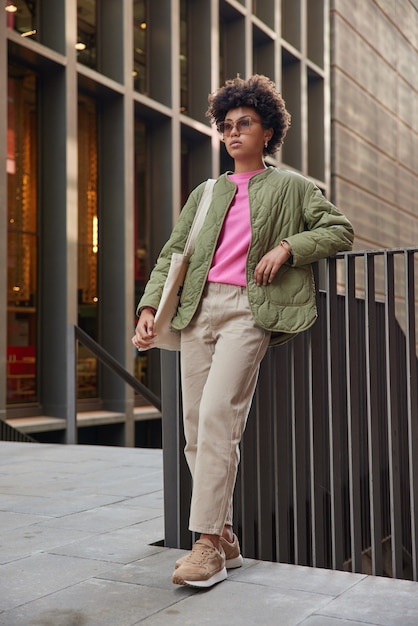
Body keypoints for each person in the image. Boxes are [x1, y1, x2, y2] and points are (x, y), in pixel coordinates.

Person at [132, 74, 354, 589]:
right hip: (196, 310)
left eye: (245, 124)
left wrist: (289, 248)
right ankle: (225, 534)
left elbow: (338, 229)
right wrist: (148, 305)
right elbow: (173, 252)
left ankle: (206, 545)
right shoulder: (206, 192)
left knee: (217, 416)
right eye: (226, 125)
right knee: (194, 428)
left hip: (248, 311)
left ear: (268, 130)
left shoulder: (294, 187)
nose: (233, 133)